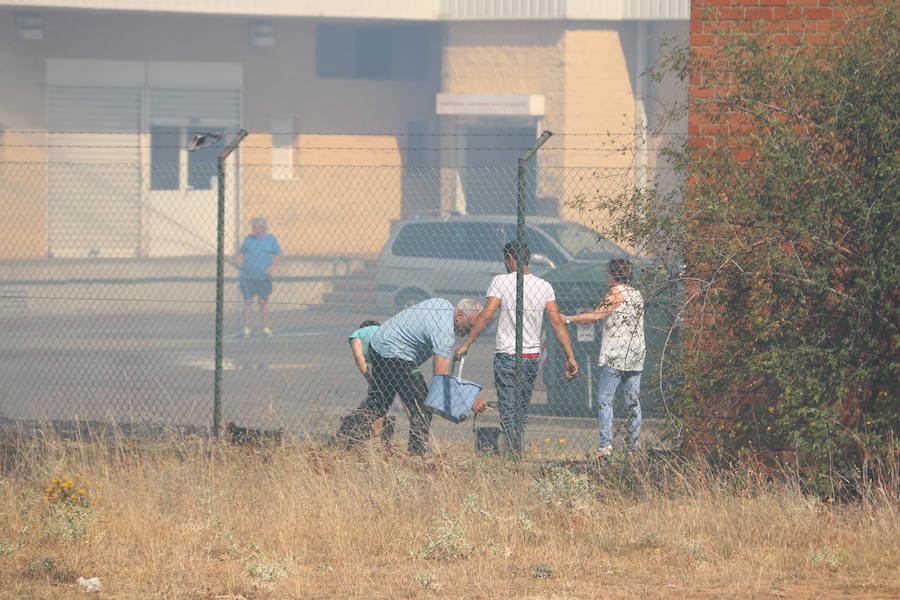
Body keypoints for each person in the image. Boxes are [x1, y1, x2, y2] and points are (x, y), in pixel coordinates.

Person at [455, 241, 578, 452]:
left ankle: (512, 451)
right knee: (521, 408)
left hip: (507, 355)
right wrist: (570, 356)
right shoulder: (544, 286)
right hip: (531, 358)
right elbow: (557, 322)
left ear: (510, 258)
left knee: (508, 408)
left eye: (505, 260)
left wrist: (467, 343)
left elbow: (487, 314)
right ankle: (516, 448)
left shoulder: (500, 282)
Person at [337, 298, 486, 456]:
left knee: (378, 403)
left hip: (378, 345)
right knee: (422, 407)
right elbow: (440, 380)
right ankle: (417, 453)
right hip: (396, 356)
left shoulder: (441, 304)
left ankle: (350, 438)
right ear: (460, 315)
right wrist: (468, 400)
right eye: (470, 326)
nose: (469, 332)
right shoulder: (444, 333)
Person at [564, 258, 645, 456]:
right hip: (635, 354)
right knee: (633, 402)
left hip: (615, 354)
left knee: (605, 399)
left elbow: (596, 316)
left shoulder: (614, 293)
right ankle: (633, 446)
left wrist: (568, 318)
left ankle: (606, 445)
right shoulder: (637, 295)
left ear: (613, 275)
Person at [235, 217, 282, 338]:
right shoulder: (248, 239)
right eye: (254, 227)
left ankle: (266, 328)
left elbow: (278, 254)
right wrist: (238, 261)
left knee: (263, 302)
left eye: (260, 227)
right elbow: (242, 252)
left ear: (264, 228)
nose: (257, 230)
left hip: (263, 277)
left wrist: (272, 268)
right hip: (247, 276)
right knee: (247, 301)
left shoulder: (270, 239)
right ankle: (246, 329)